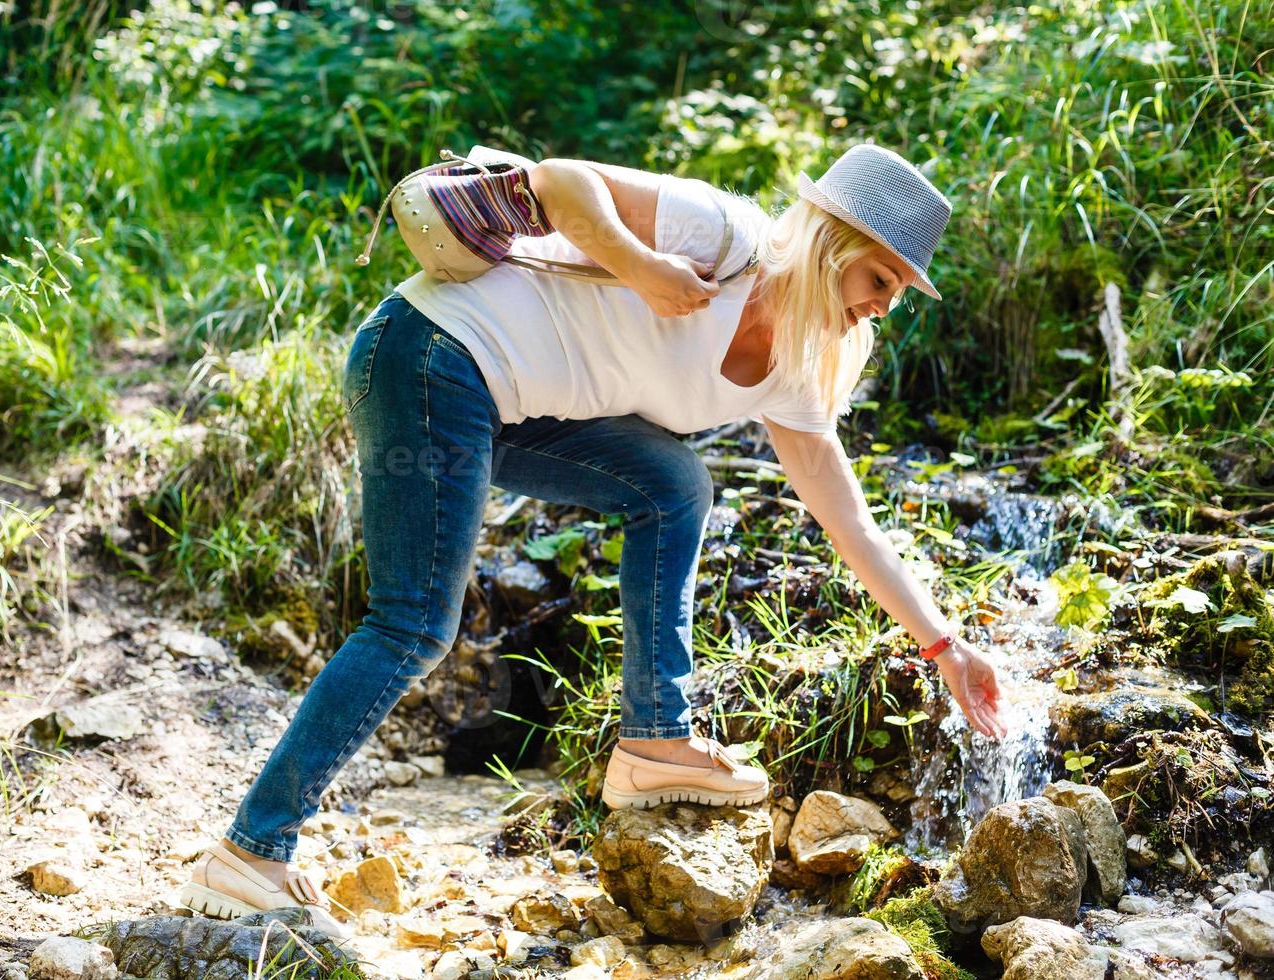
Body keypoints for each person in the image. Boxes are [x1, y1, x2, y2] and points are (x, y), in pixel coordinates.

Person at [179, 143, 1007, 939]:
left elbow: (847, 517)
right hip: (427, 355)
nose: (885, 305)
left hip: (505, 410)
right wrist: (638, 263)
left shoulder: (801, 361)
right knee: (412, 625)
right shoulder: (723, 234)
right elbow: (557, 181)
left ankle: (653, 740)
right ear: (835, 243)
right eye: (882, 278)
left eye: (901, 291)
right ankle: (250, 853)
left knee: (672, 485)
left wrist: (945, 647)